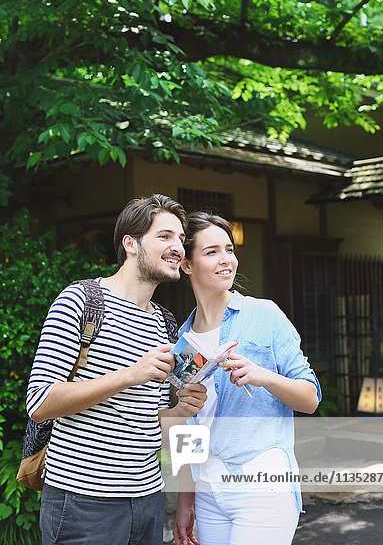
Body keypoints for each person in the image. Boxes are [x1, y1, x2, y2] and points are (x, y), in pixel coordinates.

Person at [26, 194, 207, 545]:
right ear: (131, 244)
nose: (178, 247)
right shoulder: (81, 301)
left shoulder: (166, 325)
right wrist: (129, 375)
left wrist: (181, 411)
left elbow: (149, 422)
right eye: (165, 236)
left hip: (148, 501)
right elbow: (40, 402)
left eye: (182, 239)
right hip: (82, 503)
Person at [173, 212, 321, 545]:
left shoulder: (264, 315)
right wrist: (185, 500)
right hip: (209, 494)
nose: (226, 260)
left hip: (263, 487)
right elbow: (190, 426)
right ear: (187, 265)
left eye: (229, 249)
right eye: (211, 252)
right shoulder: (183, 341)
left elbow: (310, 398)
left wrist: (263, 376)